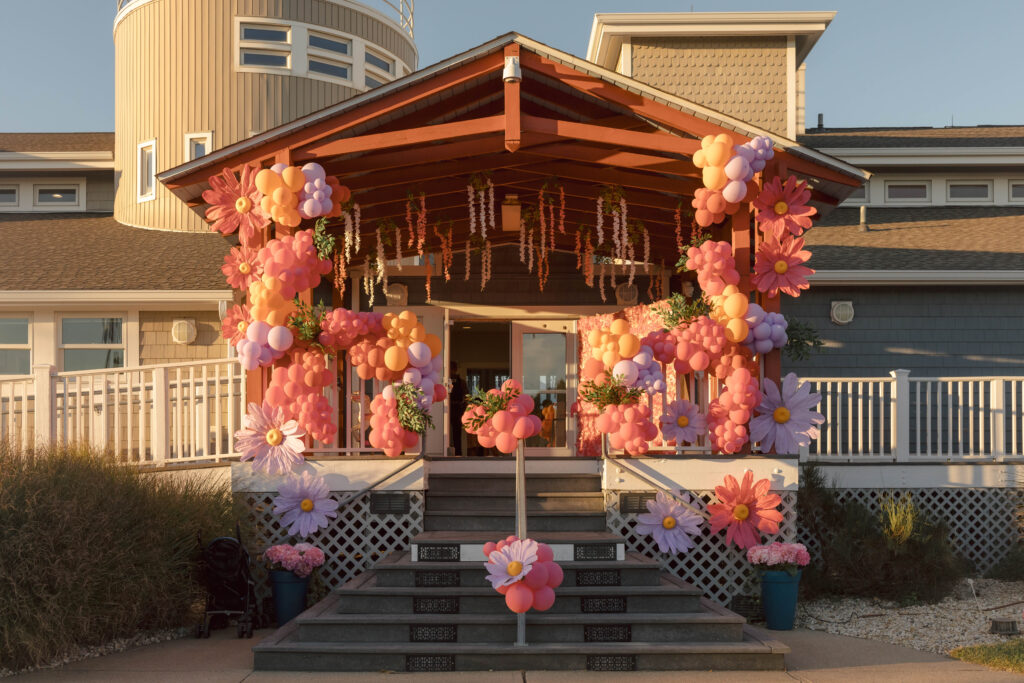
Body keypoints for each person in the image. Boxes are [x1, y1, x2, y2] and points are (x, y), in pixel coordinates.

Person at [448, 361, 467, 456]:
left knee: (457, 433)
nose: (451, 371)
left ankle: (458, 453)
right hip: (448, 408)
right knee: (446, 432)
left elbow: (466, 396)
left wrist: (464, 409)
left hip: (458, 408)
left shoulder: (461, 381)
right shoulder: (447, 380)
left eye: (452, 369)